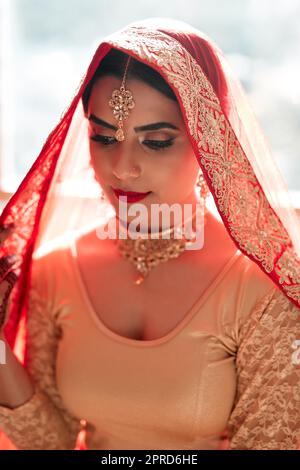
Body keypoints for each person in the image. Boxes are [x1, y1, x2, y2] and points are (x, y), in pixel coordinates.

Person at [0, 17, 300, 450]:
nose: (122, 167)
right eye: (103, 137)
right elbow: (53, 440)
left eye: (156, 141)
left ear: (208, 141)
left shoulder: (263, 289)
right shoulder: (56, 268)